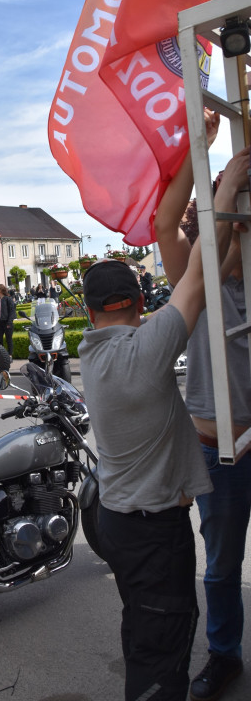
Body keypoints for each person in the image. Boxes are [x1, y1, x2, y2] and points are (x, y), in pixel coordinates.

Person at [78, 145, 249, 701]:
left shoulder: (98, 349)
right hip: (162, 516)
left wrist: (196, 156)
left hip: (128, 520)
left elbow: (198, 264)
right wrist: (220, 188)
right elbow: (194, 271)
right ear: (138, 303)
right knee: (167, 632)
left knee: (150, 626)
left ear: (89, 313)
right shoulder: (148, 344)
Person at [154, 116, 251, 701]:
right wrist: (204, 155)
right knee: (218, 568)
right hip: (218, 454)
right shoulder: (194, 284)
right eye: (228, 216)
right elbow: (166, 223)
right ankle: (224, 655)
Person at [0, 283, 16, 360]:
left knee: (9, 339)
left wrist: (9, 322)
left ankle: (10, 355)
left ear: (0, 290)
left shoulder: (8, 299)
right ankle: (1, 355)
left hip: (7, 322)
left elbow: (12, 311)